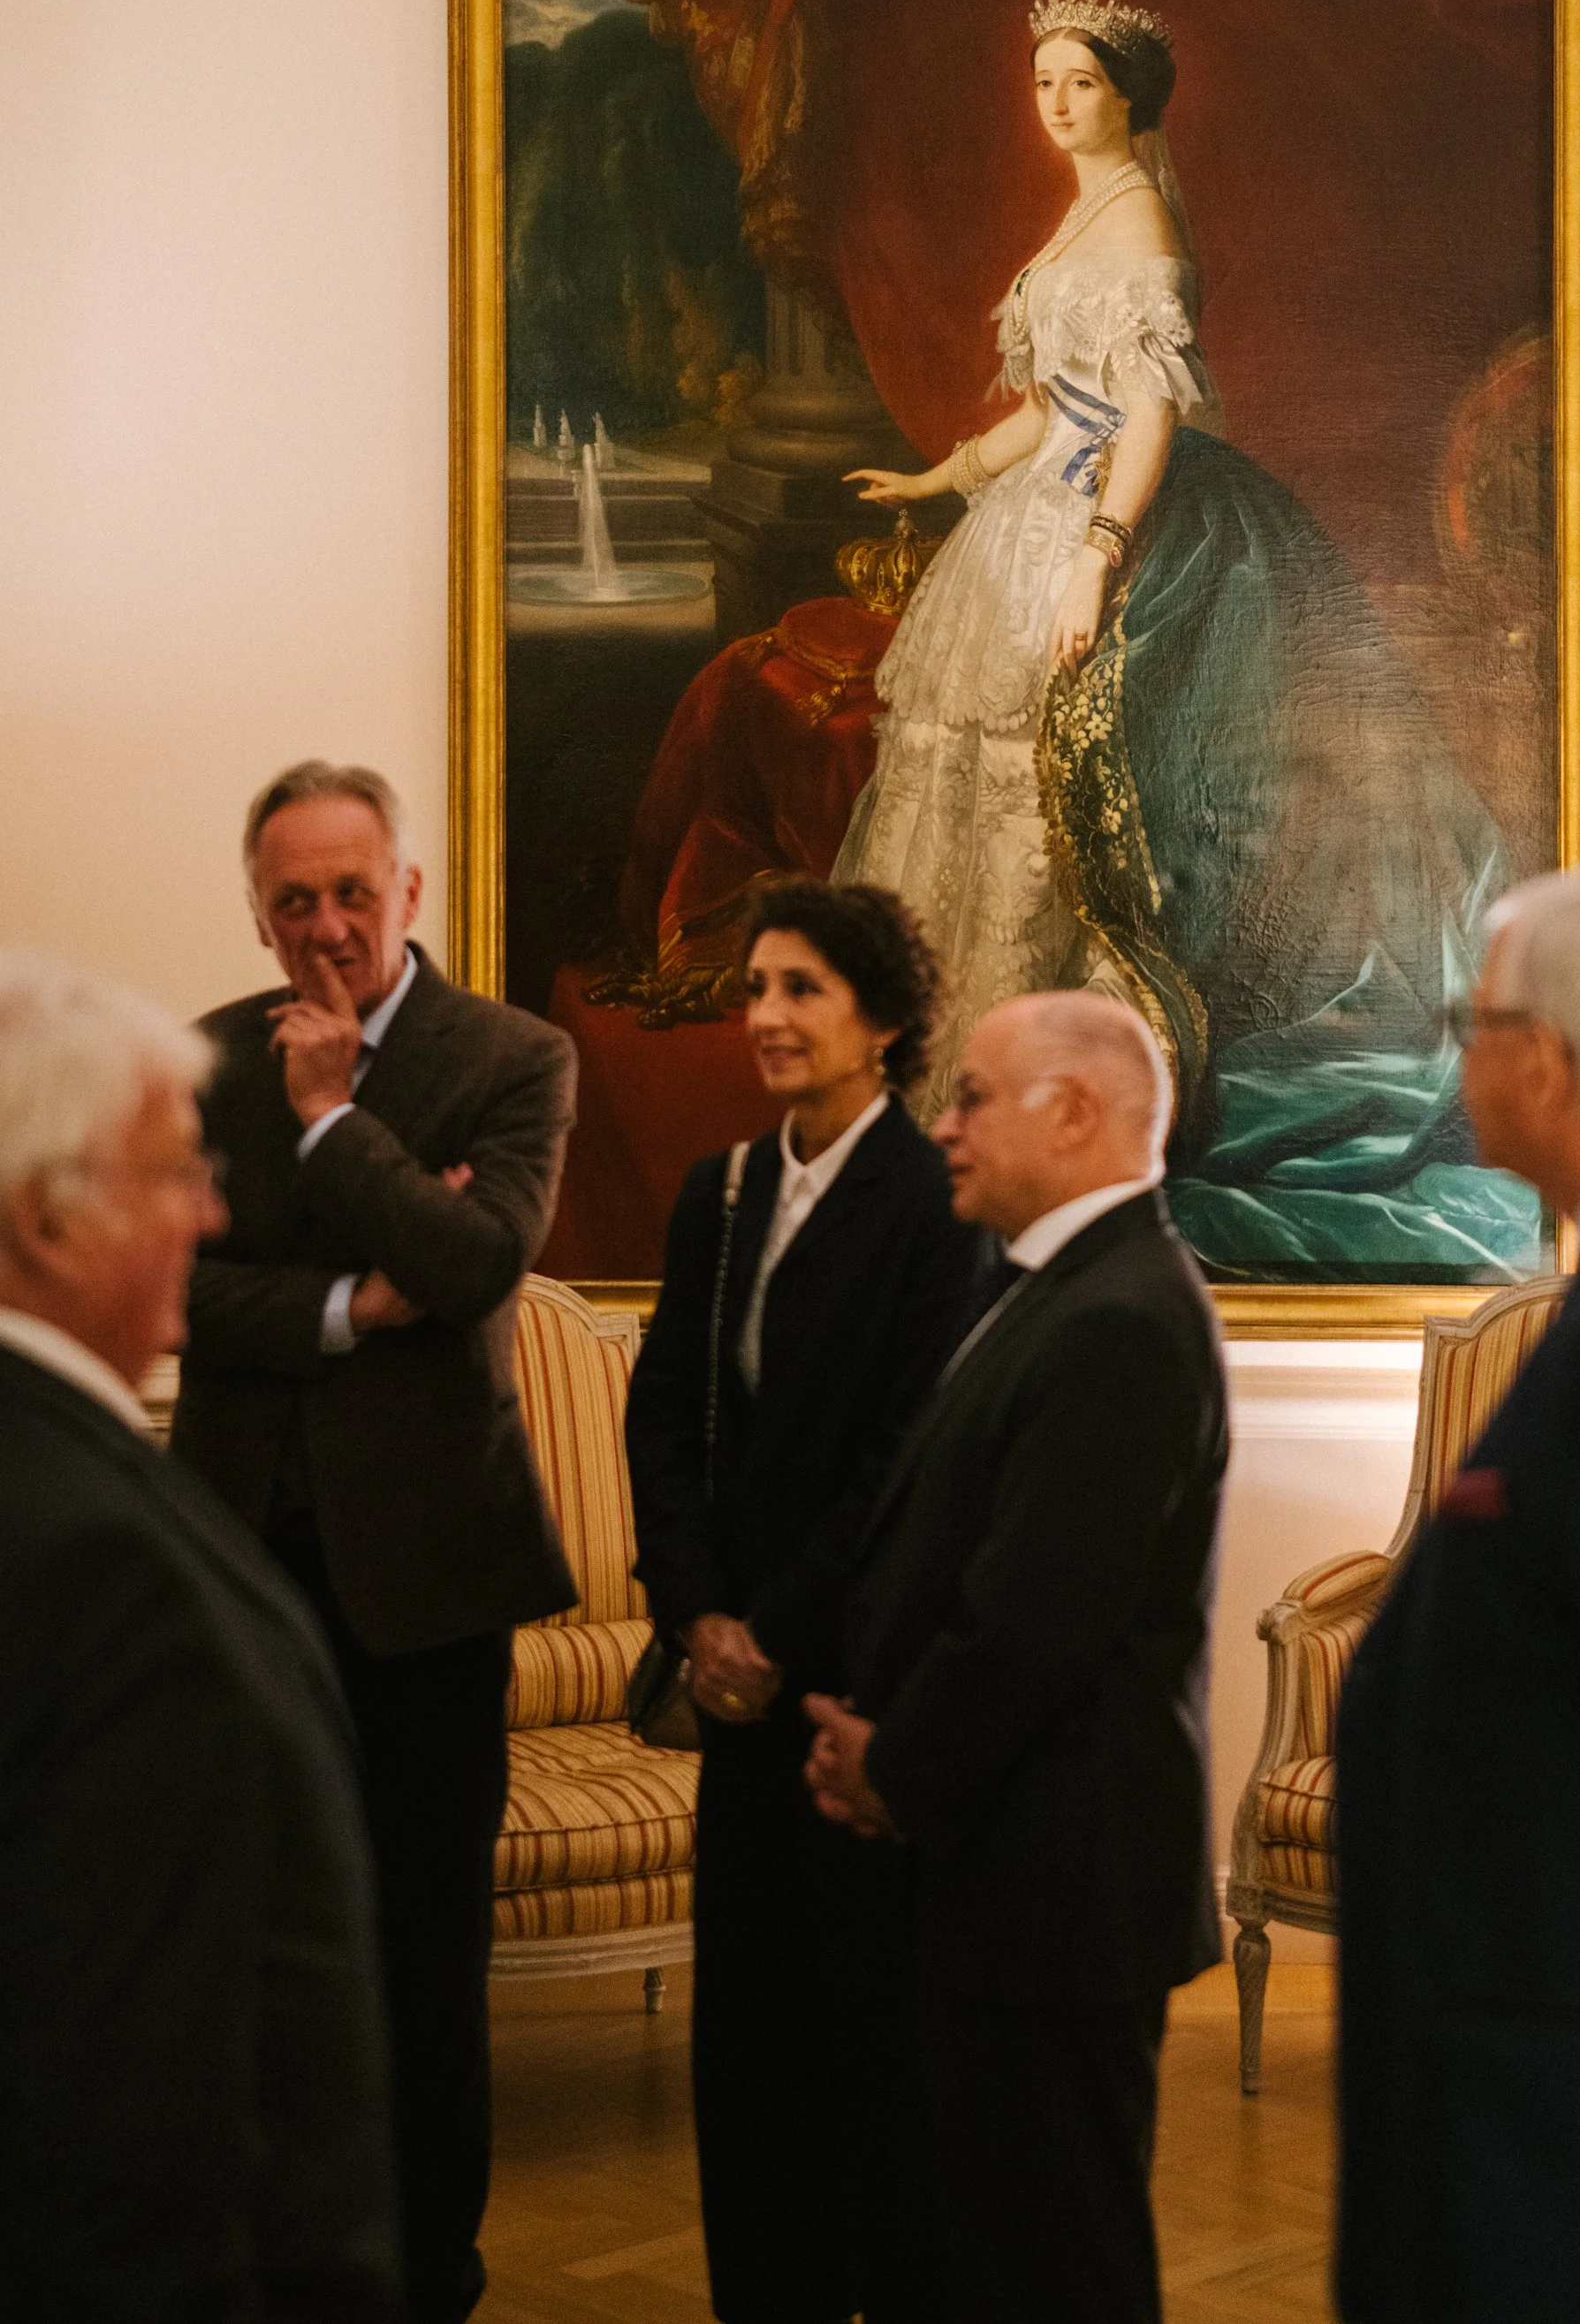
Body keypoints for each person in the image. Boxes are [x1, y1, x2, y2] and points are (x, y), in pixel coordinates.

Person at [839, 0, 1531, 1287]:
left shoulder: (1144, 224)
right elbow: (1052, 412)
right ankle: (964, 1074)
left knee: (1072, 788)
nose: (1053, 101)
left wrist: (1098, 557)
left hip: (1122, 521)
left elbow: (1141, 418)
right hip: (1035, 510)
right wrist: (938, 481)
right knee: (976, 776)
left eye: (1080, 84)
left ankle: (1059, 1077)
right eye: (1041, 79)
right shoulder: (1080, 214)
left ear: (1129, 99)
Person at [171, 760, 579, 2324]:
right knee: (254, 1941)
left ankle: (427, 2277)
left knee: (420, 1959)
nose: (327, 926)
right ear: (259, 914)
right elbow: (180, 1289)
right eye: (295, 901)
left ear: (409, 893)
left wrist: (339, 1124)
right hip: (237, 1574)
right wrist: (354, 1304)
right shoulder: (203, 1061)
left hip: (428, 1583)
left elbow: (481, 1269)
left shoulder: (512, 1056)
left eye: (354, 892)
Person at [1333, 863, 1580, 2324]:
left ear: (1547, 1061)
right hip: (1556, 2053)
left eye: (1470, 1018)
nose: (1460, 1052)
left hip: (1565, 2086)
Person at [804, 989, 1228, 2324]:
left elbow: (1036, 1619)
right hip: (1009, 1866)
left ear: (1077, 1112)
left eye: (974, 1094)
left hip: (1060, 1882)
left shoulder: (1120, 1315)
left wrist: (896, 1768)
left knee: (1058, 2264)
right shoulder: (1057, 1288)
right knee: (992, 2247)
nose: (943, 1124)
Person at [0, 946, 401, 2319]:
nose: (211, 1214)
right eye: (175, 1173)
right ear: (47, 1221)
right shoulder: (107, 1571)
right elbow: (148, 2122)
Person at [624, 878, 984, 2324]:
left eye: (802, 991)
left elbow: (909, 1455)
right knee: (750, 2044)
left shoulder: (934, 1202)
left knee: (869, 2046)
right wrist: (701, 1619)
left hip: (854, 1686)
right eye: (757, 986)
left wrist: (772, 1631)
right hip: (734, 1688)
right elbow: (661, 1422)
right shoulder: (720, 1193)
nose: (764, 1015)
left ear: (884, 1022)